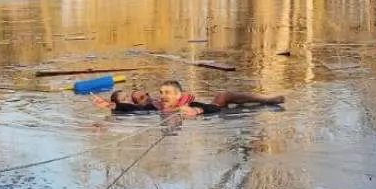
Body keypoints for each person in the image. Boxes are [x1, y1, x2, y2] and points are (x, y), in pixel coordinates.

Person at [93, 80, 284, 117]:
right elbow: (134, 109)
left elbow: (208, 108)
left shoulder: (183, 102)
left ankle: (267, 99)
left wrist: (197, 110)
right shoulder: (153, 107)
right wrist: (112, 106)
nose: (162, 96)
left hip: (211, 108)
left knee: (223, 96)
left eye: (167, 93)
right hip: (202, 111)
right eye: (161, 92)